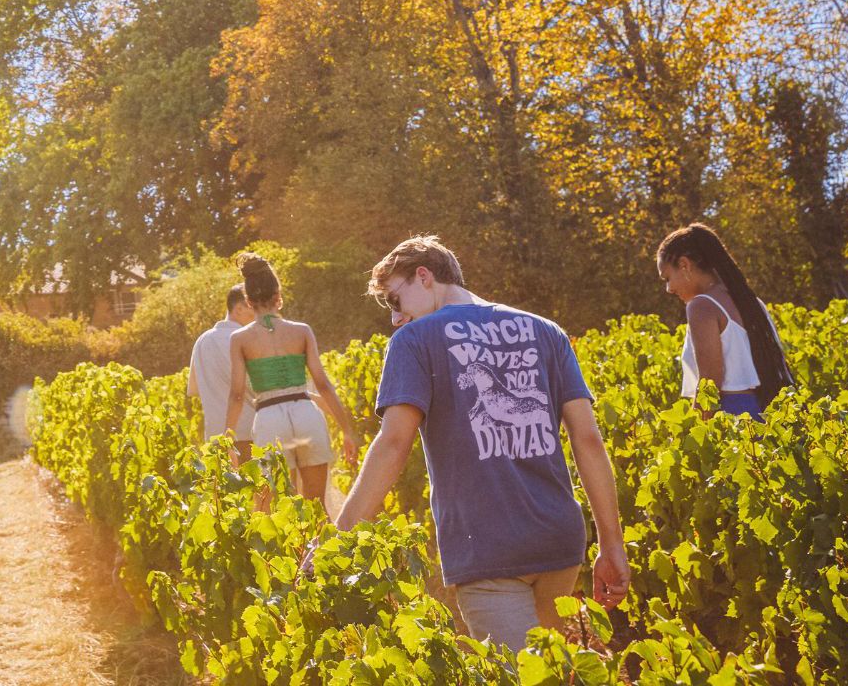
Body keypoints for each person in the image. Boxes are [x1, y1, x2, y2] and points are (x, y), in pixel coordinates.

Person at [336, 235, 630, 654]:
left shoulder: (415, 342)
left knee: (521, 676)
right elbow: (587, 441)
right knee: (558, 668)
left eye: (395, 302)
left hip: (486, 546)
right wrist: (611, 544)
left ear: (424, 276)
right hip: (559, 540)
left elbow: (393, 444)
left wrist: (339, 537)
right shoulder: (547, 331)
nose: (396, 319)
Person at [222, 254, 361, 505]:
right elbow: (323, 384)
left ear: (248, 300)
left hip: (269, 421)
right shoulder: (302, 331)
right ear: (279, 296)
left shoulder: (240, 339)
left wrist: (227, 439)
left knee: (284, 511)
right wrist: (347, 430)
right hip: (306, 413)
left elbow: (237, 394)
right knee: (317, 508)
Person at [655, 223, 795, 417]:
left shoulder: (701, 306)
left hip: (732, 415)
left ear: (684, 265)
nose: (668, 289)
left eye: (667, 278)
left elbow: (709, 383)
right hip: (770, 411)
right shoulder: (752, 301)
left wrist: (698, 433)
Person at [188, 283, 258, 464]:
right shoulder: (247, 339)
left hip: (215, 439)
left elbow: (194, 390)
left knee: (227, 491)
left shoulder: (202, 341)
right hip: (249, 434)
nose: (257, 316)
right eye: (253, 309)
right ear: (239, 309)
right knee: (257, 490)